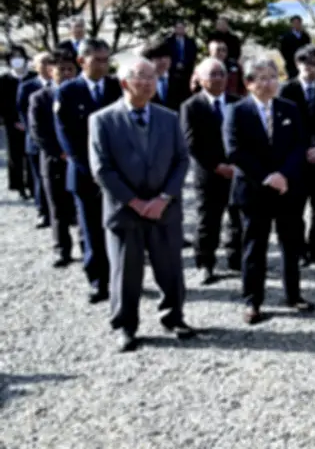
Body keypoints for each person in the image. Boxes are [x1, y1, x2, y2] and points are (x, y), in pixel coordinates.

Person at [88, 56, 193, 352]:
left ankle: (174, 316)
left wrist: (164, 198)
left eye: (152, 77)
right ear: (125, 82)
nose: (148, 83)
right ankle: (125, 326)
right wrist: (134, 202)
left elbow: (181, 160)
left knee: (170, 268)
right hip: (125, 211)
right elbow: (102, 169)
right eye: (141, 77)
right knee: (126, 273)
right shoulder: (102, 120)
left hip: (164, 209)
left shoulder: (168, 117)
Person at [224, 58, 312, 324]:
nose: (269, 83)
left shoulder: (289, 108)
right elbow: (234, 150)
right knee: (255, 246)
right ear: (249, 83)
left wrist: (284, 175)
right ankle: (253, 301)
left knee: (291, 243)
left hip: (287, 188)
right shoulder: (237, 111)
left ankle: (293, 294)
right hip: (254, 189)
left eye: (273, 77)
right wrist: (266, 176)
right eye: (262, 78)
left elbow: (300, 145)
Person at [54, 39, 123, 304]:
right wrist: (95, 171)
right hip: (86, 175)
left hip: (118, 173)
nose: (104, 65)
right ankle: (98, 281)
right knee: (92, 231)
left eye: (107, 59)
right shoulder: (68, 92)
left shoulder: (116, 87)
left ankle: (122, 278)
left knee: (120, 229)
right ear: (81, 61)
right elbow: (68, 138)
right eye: (98, 60)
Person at [180, 57, 242, 284]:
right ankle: (205, 264)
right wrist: (216, 165)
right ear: (200, 79)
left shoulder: (237, 103)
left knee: (237, 217)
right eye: (213, 74)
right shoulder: (191, 106)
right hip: (208, 173)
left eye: (221, 74)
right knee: (208, 220)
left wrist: (237, 164)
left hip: (236, 170)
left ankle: (237, 259)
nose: (218, 79)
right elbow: (191, 142)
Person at [279, 45, 315, 265]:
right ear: (297, 64)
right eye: (306, 63)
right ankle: (300, 249)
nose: (310, 68)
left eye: (314, 64)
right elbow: (284, 127)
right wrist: (303, 149)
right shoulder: (288, 90)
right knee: (297, 208)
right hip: (297, 158)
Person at [29, 50, 79, 268]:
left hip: (80, 160)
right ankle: (62, 249)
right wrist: (61, 152)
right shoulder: (39, 98)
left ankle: (89, 248)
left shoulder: (81, 93)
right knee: (58, 209)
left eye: (70, 69)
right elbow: (38, 132)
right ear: (50, 71)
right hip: (53, 161)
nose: (67, 73)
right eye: (62, 69)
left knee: (83, 208)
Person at [17, 52, 54, 226]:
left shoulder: (59, 84)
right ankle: (43, 211)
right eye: (43, 62)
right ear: (35, 66)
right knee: (40, 178)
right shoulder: (27, 86)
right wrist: (36, 134)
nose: (47, 66)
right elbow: (23, 112)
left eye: (50, 62)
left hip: (57, 141)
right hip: (36, 140)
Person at [0, 46, 36, 200]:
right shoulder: (4, 80)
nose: (17, 60)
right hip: (12, 123)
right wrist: (11, 121)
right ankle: (19, 185)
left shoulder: (33, 77)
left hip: (32, 123)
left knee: (31, 154)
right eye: (13, 57)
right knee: (15, 155)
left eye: (19, 56)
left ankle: (33, 185)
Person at [143, 40, 189, 112]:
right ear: (148, 60)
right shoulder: (142, 82)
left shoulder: (182, 80)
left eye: (166, 56)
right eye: (159, 57)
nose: (163, 60)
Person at [165, 20, 198, 90]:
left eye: (182, 28)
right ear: (175, 29)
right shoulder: (168, 41)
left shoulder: (191, 42)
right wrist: (176, 64)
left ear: (184, 29)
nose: (180, 29)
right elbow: (167, 55)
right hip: (172, 72)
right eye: (178, 27)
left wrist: (183, 64)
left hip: (187, 71)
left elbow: (193, 55)